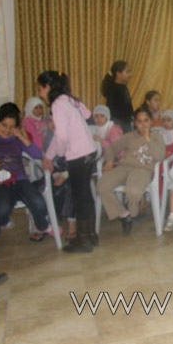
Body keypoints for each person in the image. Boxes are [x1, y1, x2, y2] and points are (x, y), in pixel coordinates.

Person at [40, 71, 98, 253]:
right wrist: (49, 156)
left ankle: (84, 241)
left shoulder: (58, 104)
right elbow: (87, 114)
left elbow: (62, 136)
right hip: (89, 151)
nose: (40, 93)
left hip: (78, 155)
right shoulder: (69, 99)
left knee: (79, 198)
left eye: (40, 89)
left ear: (48, 87)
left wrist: (58, 153)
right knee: (85, 195)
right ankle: (91, 236)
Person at [97, 106, 165, 235]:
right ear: (135, 123)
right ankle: (124, 214)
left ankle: (133, 212)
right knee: (102, 185)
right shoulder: (129, 136)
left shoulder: (156, 136)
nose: (143, 124)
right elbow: (111, 148)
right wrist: (110, 161)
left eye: (146, 120)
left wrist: (148, 139)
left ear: (151, 122)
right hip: (124, 167)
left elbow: (159, 157)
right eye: (139, 121)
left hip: (143, 170)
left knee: (133, 191)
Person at [0, 105, 52, 241]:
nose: (7, 130)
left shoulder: (17, 140)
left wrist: (21, 136)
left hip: (20, 180)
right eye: (4, 125)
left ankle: (42, 226)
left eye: (11, 127)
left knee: (37, 201)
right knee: (4, 206)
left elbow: (37, 154)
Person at [101, 60, 133, 133]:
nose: (130, 74)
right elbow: (111, 109)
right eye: (127, 72)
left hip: (126, 122)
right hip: (118, 123)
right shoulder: (113, 89)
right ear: (118, 73)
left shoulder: (123, 87)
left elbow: (127, 105)